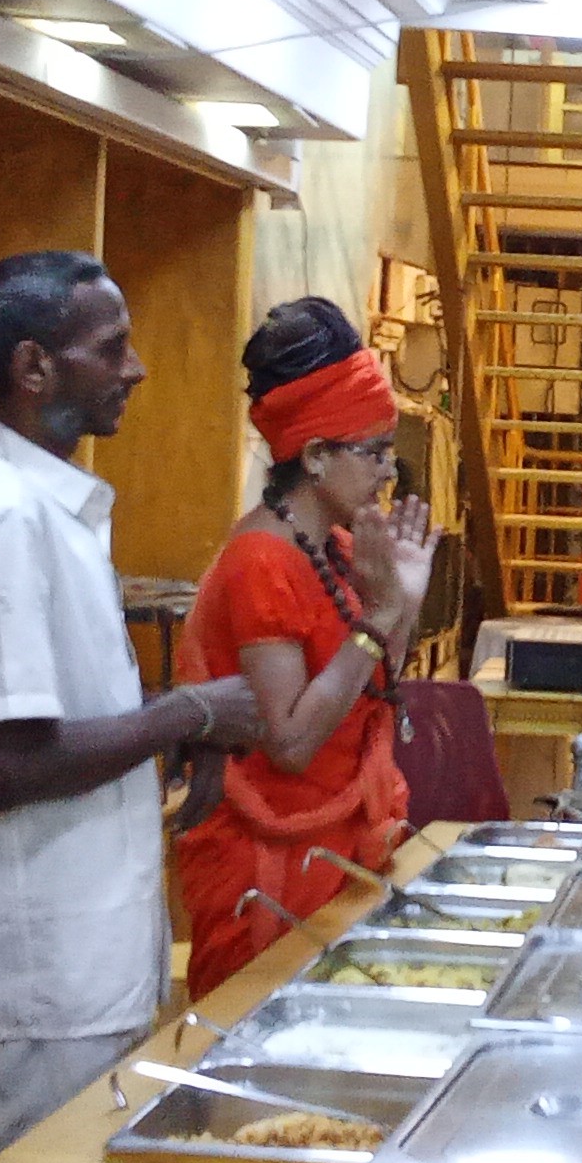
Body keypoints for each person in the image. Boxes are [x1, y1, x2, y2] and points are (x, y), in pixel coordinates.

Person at [0, 252, 262, 1163]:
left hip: (77, 952)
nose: (136, 369)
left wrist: (177, 725)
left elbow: (62, 719)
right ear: (34, 367)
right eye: (111, 348)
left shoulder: (46, 507)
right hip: (38, 961)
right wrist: (190, 713)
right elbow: (8, 766)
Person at [173, 298, 436, 1002]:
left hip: (342, 848)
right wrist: (378, 616)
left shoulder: (340, 546)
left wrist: (403, 600)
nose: (389, 471)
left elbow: (377, 684)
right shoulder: (261, 560)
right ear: (316, 456)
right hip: (272, 868)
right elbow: (290, 742)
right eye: (373, 452)